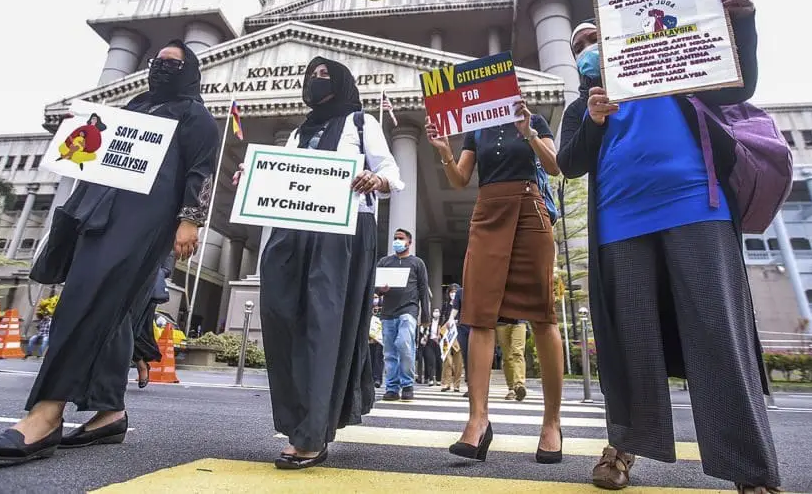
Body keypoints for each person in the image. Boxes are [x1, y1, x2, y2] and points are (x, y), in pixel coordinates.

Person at [557, 0, 780, 493]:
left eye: (595, 36)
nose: (589, 47)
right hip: (620, 223)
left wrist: (741, 25)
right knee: (631, 341)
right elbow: (570, 163)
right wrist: (593, 121)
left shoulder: (673, 63)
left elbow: (737, 86)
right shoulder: (582, 104)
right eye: (580, 45)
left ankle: (753, 472)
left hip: (696, 207)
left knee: (717, 337)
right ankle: (622, 448)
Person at [0, 40, 219, 464]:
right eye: (157, 61)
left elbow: (202, 169)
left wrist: (190, 220)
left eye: (173, 64)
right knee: (112, 311)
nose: (162, 68)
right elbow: (93, 150)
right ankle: (109, 413)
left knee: (85, 305)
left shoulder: (196, 116)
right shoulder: (135, 107)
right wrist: (76, 131)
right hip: (96, 214)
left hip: (143, 221)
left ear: (191, 71)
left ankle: (45, 414)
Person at [233, 56, 403, 470]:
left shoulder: (362, 123)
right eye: (310, 75)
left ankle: (311, 434)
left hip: (342, 234)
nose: (315, 80)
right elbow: (285, 178)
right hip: (293, 233)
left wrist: (375, 180)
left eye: (324, 75)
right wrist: (252, 177)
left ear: (342, 82)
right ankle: (296, 423)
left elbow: (390, 171)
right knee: (281, 318)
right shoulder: (298, 131)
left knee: (323, 326)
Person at [426, 99, 564, 464]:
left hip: (530, 213)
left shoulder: (533, 119)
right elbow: (459, 180)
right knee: (478, 314)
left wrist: (530, 134)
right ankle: (477, 420)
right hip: (487, 214)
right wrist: (444, 152)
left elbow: (553, 166)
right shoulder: (477, 127)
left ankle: (552, 422)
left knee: (543, 315)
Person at [375, 228, 430, 401]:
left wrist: (426, 316)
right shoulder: (384, 262)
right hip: (388, 313)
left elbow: (423, 288)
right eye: (395, 238)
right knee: (390, 352)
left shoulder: (417, 263)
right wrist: (380, 290)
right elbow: (374, 286)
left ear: (409, 242)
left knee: (405, 345)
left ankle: (407, 384)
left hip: (409, 311)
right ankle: (392, 388)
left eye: (400, 238)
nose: (397, 241)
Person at [131, 251, 175, 388]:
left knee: (132, 330)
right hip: (124, 284)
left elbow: (167, 268)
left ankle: (141, 365)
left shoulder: (167, 242)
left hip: (146, 292)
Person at [495, 320, 527, 401]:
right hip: (501, 322)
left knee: (518, 353)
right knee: (507, 357)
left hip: (520, 320)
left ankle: (519, 385)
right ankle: (511, 388)